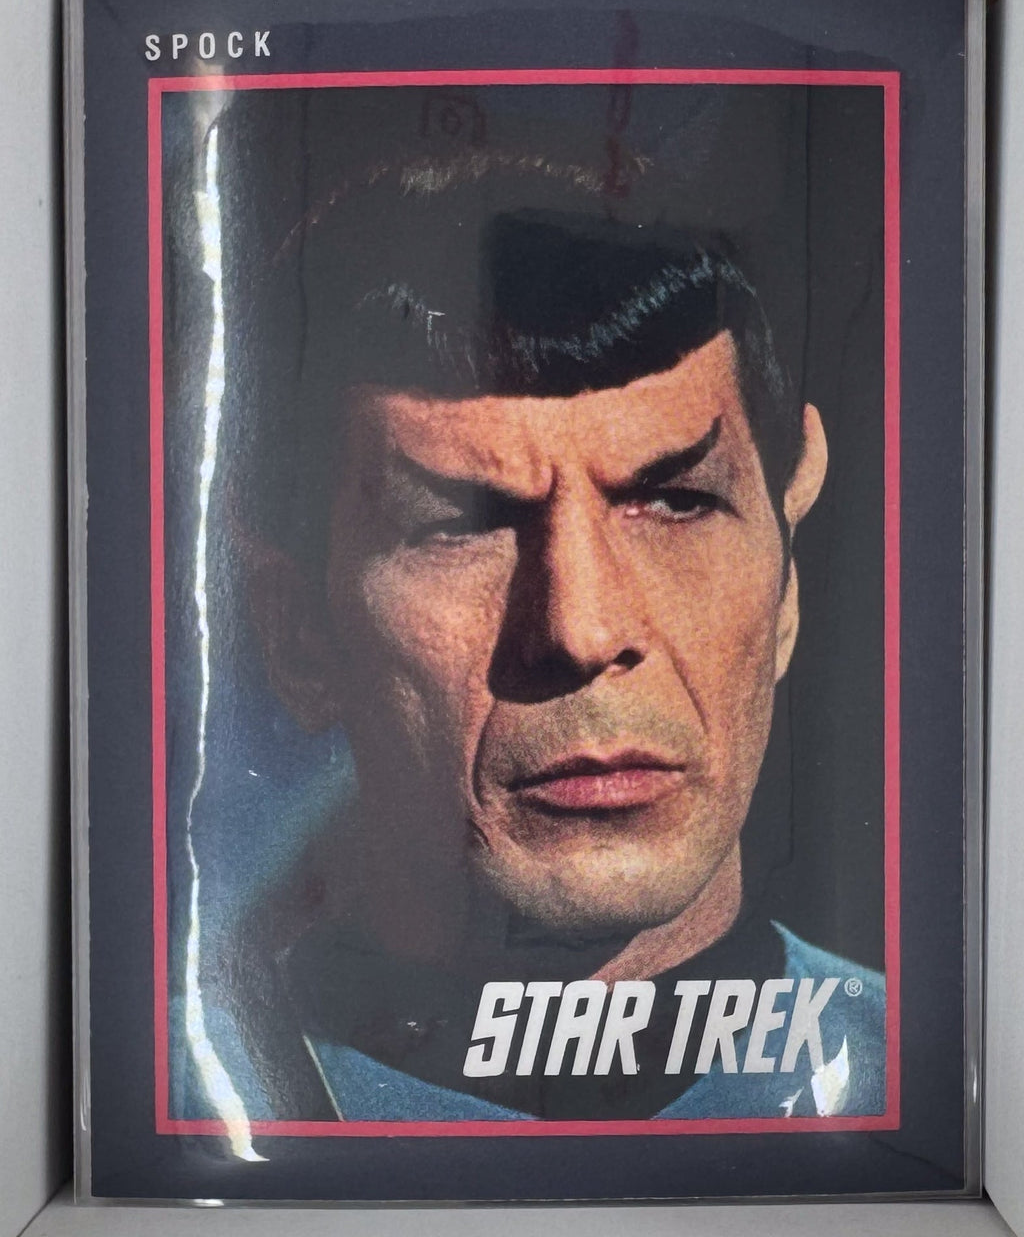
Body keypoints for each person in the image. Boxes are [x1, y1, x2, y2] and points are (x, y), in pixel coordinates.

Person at [203, 109, 885, 1124]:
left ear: (785, 582)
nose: (581, 629)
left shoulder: (950, 1085)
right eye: (461, 528)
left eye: (676, 503)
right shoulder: (168, 1104)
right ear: (297, 636)